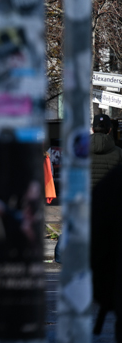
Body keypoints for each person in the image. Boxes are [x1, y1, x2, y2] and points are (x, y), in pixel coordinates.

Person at [90, 114, 122, 340]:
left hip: (88, 206)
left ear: (93, 129)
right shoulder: (118, 153)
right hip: (114, 209)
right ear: (110, 130)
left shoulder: (81, 150)